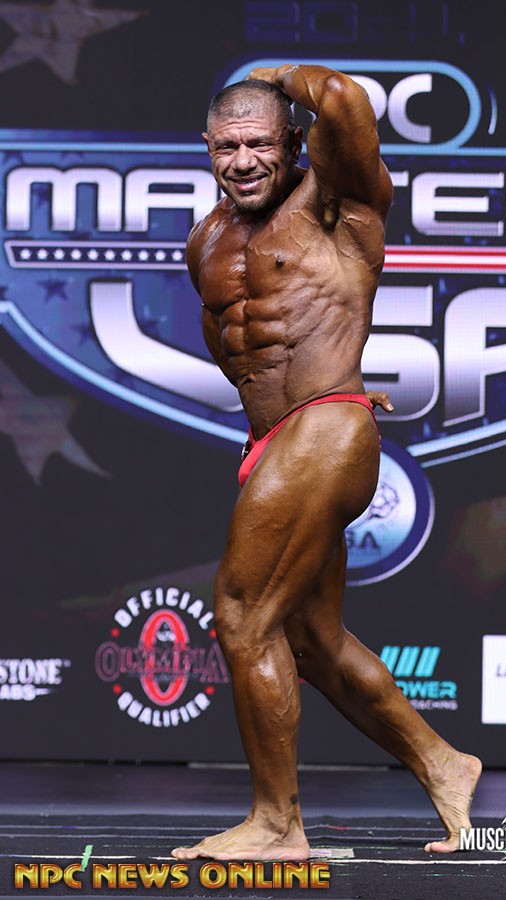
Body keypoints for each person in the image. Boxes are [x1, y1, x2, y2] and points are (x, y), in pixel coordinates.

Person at [172, 64, 481, 862]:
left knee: (242, 617)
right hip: (274, 442)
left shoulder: (337, 203)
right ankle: (444, 764)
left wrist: (275, 74)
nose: (243, 161)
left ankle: (277, 825)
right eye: (227, 147)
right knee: (311, 640)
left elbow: (343, 99)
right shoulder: (206, 240)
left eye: (260, 144)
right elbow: (232, 347)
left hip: (327, 426)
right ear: (207, 147)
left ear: (293, 143)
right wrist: (265, 430)